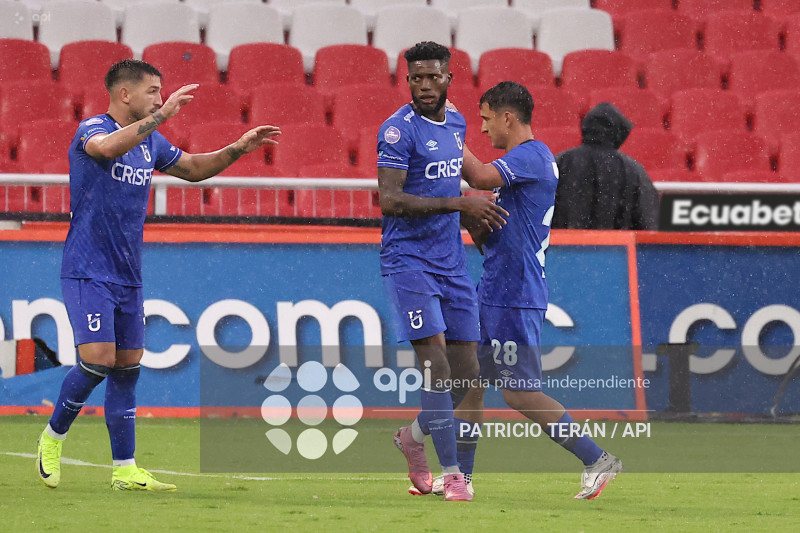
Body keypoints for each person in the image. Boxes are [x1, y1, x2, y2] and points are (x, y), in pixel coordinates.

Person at [36, 59, 280, 491]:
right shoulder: (93, 128)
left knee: (129, 365)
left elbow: (194, 170)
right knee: (97, 360)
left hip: (129, 273)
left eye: (161, 92)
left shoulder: (151, 143)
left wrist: (238, 147)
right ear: (125, 94)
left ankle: (125, 470)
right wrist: (160, 116)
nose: (160, 98)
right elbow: (105, 150)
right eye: (153, 91)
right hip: (87, 269)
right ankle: (53, 438)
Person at [455, 81, 623, 500]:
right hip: (494, 287)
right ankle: (461, 478)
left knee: (518, 393)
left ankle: (596, 458)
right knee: (470, 384)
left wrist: (443, 131)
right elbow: (494, 230)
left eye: (486, 118)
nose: (482, 129)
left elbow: (476, 173)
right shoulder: (521, 165)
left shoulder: (532, 155)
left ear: (508, 117)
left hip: (515, 293)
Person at [377, 41, 507, 502]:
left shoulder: (455, 121)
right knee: (434, 365)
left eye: (433, 76)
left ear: (449, 79)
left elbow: (472, 178)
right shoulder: (397, 131)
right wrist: (458, 203)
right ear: (408, 79)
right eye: (417, 77)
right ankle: (452, 474)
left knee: (467, 372)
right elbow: (390, 201)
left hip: (450, 261)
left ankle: (413, 437)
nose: (425, 85)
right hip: (408, 261)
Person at [551, 102, 659, 230]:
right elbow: (648, 222)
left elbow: (537, 212)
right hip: (617, 248)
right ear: (618, 132)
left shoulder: (560, 162)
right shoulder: (633, 170)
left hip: (563, 247)